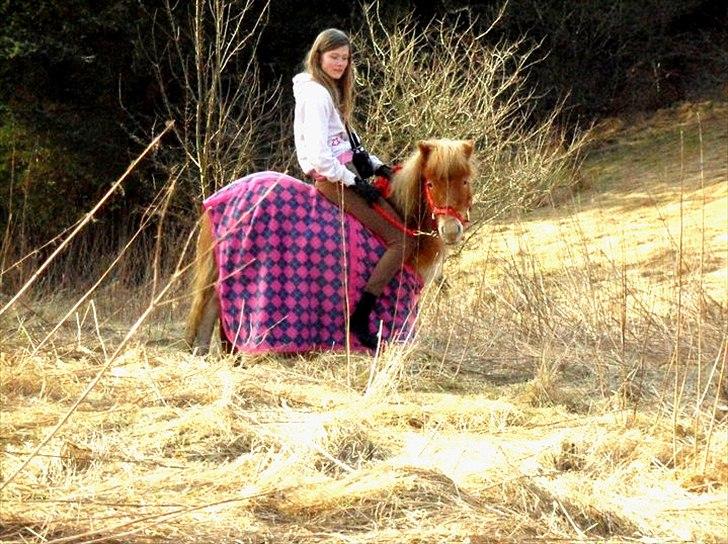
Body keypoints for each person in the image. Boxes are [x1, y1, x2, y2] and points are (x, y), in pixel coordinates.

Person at [292, 28, 413, 350]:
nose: (340, 64)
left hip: (342, 174)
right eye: (334, 57)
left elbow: (348, 144)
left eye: (345, 58)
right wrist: (355, 183)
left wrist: (377, 166)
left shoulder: (330, 92)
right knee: (401, 241)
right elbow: (321, 154)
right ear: (318, 57)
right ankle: (359, 322)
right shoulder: (316, 95)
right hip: (333, 181)